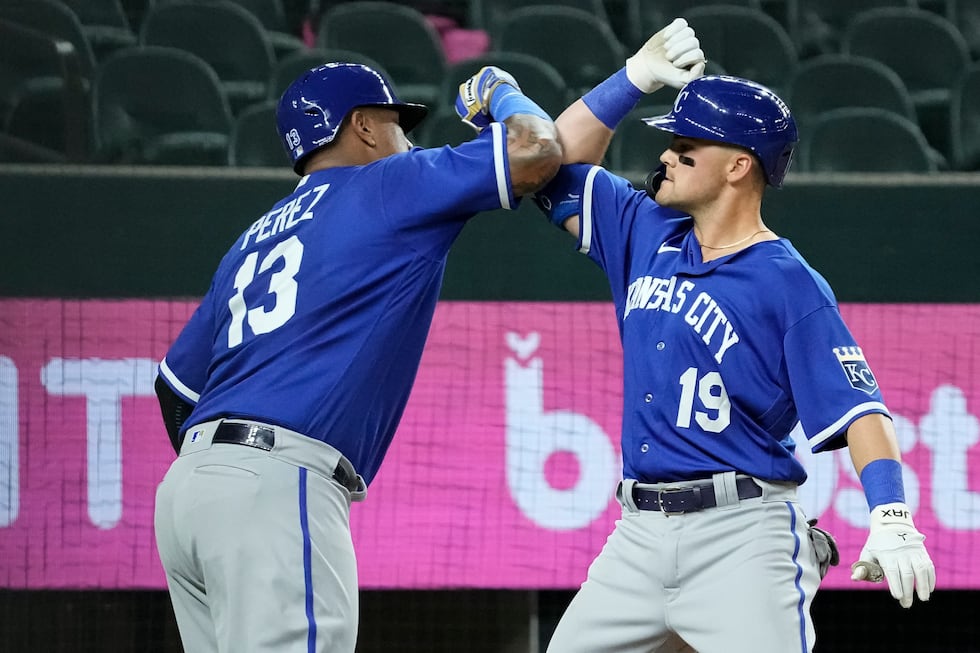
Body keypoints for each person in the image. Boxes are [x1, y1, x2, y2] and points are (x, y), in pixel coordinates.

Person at [525, 19, 937, 653]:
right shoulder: (646, 230)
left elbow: (859, 409)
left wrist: (891, 515)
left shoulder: (787, 280)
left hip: (742, 536)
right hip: (636, 535)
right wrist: (633, 78)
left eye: (686, 145)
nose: (666, 155)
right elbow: (551, 165)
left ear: (740, 165)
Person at [152, 61, 561, 653]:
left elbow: (174, 388)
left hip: (187, 495)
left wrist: (221, 471)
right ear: (364, 126)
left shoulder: (251, 239)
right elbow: (537, 149)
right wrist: (501, 92)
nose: (408, 140)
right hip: (276, 483)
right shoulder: (391, 183)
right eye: (397, 124)